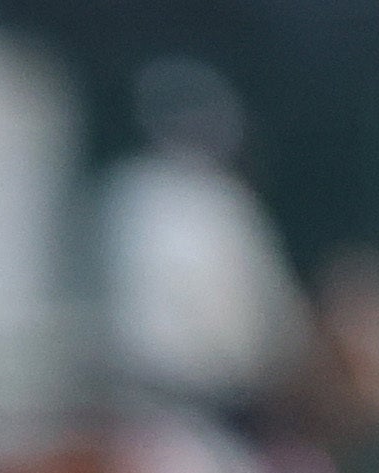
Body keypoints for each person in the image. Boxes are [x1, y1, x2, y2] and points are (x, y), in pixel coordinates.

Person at [95, 57, 303, 432]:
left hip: (243, 394)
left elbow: (265, 297)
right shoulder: (138, 198)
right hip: (163, 401)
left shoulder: (228, 199)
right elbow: (142, 321)